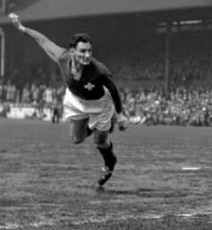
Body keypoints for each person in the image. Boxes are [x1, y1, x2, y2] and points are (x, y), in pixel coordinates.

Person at [8, 13, 129, 191]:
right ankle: (92, 127)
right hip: (75, 99)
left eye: (89, 51)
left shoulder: (99, 70)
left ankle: (110, 161)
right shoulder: (62, 57)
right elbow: (43, 40)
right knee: (76, 139)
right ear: (73, 51)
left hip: (100, 105)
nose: (87, 55)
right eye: (82, 51)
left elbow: (113, 90)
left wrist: (120, 115)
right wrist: (22, 28)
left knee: (100, 143)